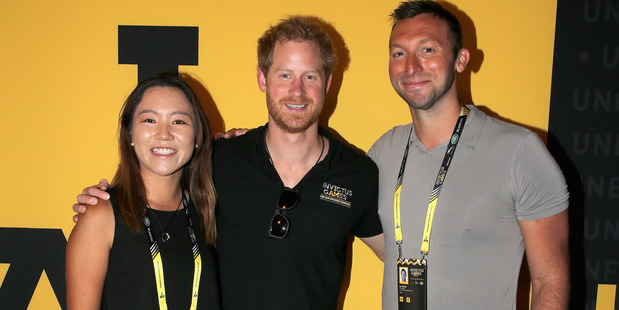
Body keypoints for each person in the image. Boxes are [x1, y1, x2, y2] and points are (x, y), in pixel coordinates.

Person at [72, 16, 384, 309]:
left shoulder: (358, 174)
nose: (297, 90)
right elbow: (153, 188)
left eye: (310, 76)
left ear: (327, 83)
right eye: (285, 75)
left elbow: (399, 253)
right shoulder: (220, 160)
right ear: (263, 78)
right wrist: (100, 208)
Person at [368, 1, 570, 309]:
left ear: (460, 60)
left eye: (428, 50)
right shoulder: (384, 151)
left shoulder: (519, 152)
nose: (410, 66)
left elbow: (550, 282)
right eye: (399, 53)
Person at [66, 73, 220, 309]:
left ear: (197, 137)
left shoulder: (209, 211)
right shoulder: (101, 216)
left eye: (179, 121)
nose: (164, 134)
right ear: (130, 135)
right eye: (149, 120)